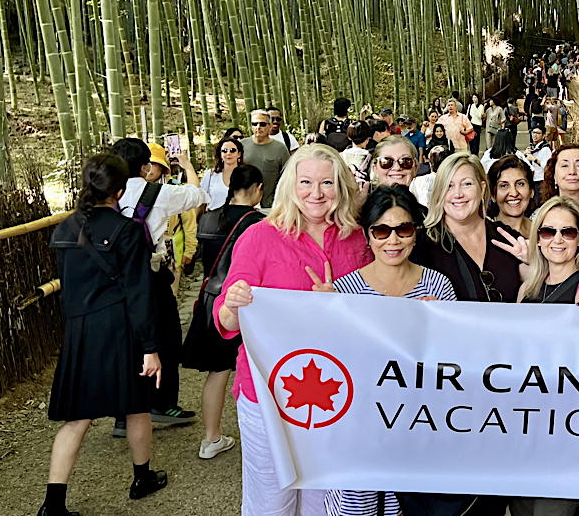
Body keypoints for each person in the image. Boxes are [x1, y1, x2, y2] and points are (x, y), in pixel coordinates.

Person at [215, 144, 371, 516]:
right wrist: (233, 305)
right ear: (289, 185)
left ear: (342, 187)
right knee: (272, 500)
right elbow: (225, 321)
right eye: (306, 182)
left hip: (338, 392)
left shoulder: (358, 239)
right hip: (268, 392)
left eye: (327, 183)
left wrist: (342, 299)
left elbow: (375, 309)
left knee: (324, 499)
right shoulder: (259, 237)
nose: (316, 193)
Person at [307, 184, 457, 516]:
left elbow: (455, 365)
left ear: (415, 233)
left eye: (403, 229)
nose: (393, 240)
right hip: (358, 435)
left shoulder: (438, 286)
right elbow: (329, 363)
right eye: (382, 230)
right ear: (368, 235)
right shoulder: (345, 291)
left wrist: (443, 328)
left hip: (419, 433)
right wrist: (324, 313)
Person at [39, 154, 167, 516]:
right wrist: (150, 347)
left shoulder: (64, 229)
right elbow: (138, 294)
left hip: (80, 328)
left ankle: (53, 503)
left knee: (77, 417)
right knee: (136, 405)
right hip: (119, 326)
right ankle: (142, 478)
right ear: (121, 190)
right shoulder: (126, 231)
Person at [112, 138, 208, 430]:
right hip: (149, 279)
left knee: (126, 342)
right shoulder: (159, 193)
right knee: (165, 339)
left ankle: (123, 414)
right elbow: (198, 195)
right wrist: (188, 165)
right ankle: (162, 403)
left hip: (114, 281)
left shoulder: (103, 194)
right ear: (144, 166)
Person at [181, 165, 265, 462]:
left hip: (208, 298)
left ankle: (211, 437)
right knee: (248, 370)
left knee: (217, 372)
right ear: (257, 188)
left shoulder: (209, 216)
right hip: (240, 302)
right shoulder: (257, 225)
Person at [412, 152, 521, 304]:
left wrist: (535, 265)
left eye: (467, 184)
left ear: (482, 189)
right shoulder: (421, 245)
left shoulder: (509, 239)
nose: (458, 194)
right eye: (449, 186)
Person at [241, 109, 291, 210]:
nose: (258, 127)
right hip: (244, 205)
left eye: (262, 124)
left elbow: (288, 177)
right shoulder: (241, 146)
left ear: (270, 126)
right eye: (254, 124)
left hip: (271, 206)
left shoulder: (280, 148)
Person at [487, 155, 533, 236]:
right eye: (504, 185)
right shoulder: (485, 235)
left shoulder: (543, 230)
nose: (514, 193)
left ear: (531, 191)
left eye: (520, 184)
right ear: (493, 195)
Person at [202, 137, 245, 212]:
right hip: (213, 219)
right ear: (220, 154)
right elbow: (201, 199)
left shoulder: (247, 174)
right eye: (224, 151)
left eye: (232, 150)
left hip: (239, 219)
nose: (228, 153)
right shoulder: (211, 174)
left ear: (239, 154)